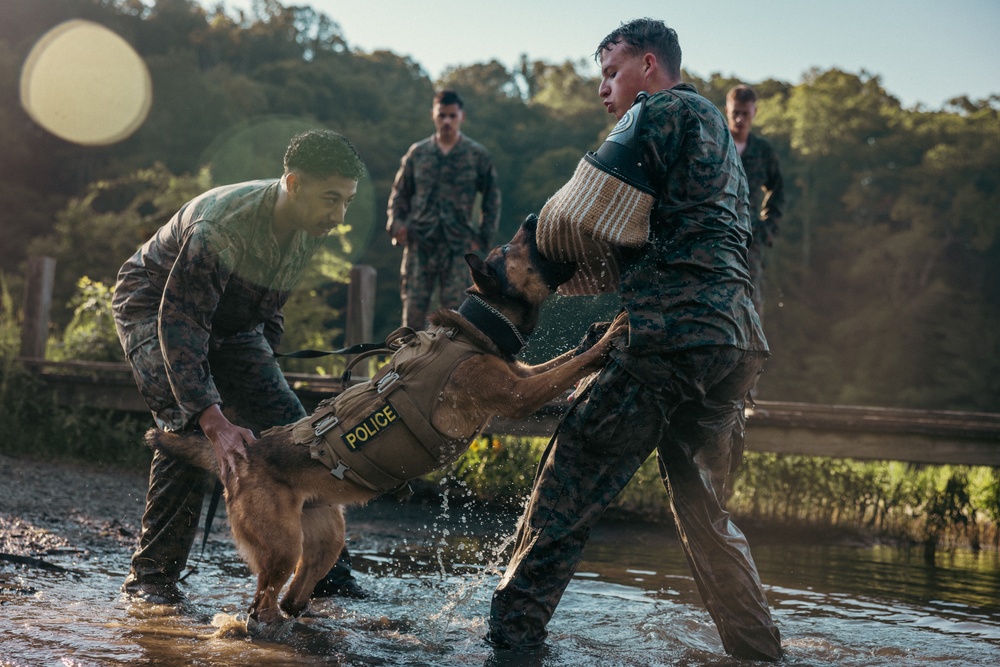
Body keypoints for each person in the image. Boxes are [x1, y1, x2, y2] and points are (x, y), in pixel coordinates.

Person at [487, 19, 783, 662]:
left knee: (568, 485)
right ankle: (759, 653)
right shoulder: (720, 140)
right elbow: (637, 238)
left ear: (649, 65)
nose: (604, 90)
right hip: (736, 343)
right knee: (706, 516)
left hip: (668, 338)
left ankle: (509, 644)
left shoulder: (658, 110)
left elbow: (576, 209)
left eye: (611, 73)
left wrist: (506, 269)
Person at [113, 129, 369, 605]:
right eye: (331, 200)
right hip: (154, 308)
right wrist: (212, 416)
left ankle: (325, 572)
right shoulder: (220, 228)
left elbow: (269, 309)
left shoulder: (308, 227)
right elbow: (182, 323)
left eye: (347, 202)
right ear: (293, 184)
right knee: (185, 431)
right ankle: (152, 578)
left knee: (295, 429)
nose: (338, 216)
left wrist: (259, 376)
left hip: (232, 324)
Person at [387, 89, 501, 329]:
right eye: (442, 115)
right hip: (420, 243)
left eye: (452, 115)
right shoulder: (418, 153)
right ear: (433, 116)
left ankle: (452, 367)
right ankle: (407, 366)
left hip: (457, 245)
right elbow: (399, 193)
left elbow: (492, 197)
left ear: (462, 116)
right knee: (413, 315)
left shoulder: (476, 155)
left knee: (456, 317)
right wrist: (398, 226)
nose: (446, 121)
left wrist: (482, 238)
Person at [726, 84, 784, 328]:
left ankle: (751, 364)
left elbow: (777, 191)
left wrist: (767, 229)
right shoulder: (715, 144)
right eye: (735, 113)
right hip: (714, 236)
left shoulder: (762, 151)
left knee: (752, 307)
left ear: (754, 112)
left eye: (745, 114)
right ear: (727, 111)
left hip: (751, 240)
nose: (739, 119)